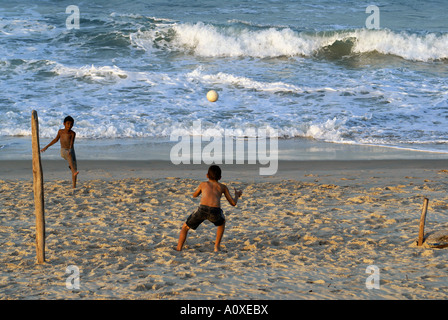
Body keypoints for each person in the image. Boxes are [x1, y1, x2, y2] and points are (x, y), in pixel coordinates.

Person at [176, 165, 242, 252]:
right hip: (215, 211)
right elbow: (233, 203)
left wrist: (198, 192)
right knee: (222, 223)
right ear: (220, 177)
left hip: (202, 209)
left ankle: (179, 248)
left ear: (207, 175)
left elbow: (194, 195)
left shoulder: (203, 184)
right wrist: (237, 195)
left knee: (185, 227)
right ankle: (216, 247)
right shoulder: (222, 187)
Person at [41, 116, 79, 188]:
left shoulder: (72, 133)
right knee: (73, 167)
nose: (69, 126)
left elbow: (71, 143)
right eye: (68, 124)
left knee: (75, 167)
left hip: (71, 151)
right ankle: (73, 170)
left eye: (71, 124)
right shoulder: (60, 132)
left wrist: (70, 150)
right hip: (63, 151)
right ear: (64, 124)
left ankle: (74, 186)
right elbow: (55, 140)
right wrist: (46, 147)